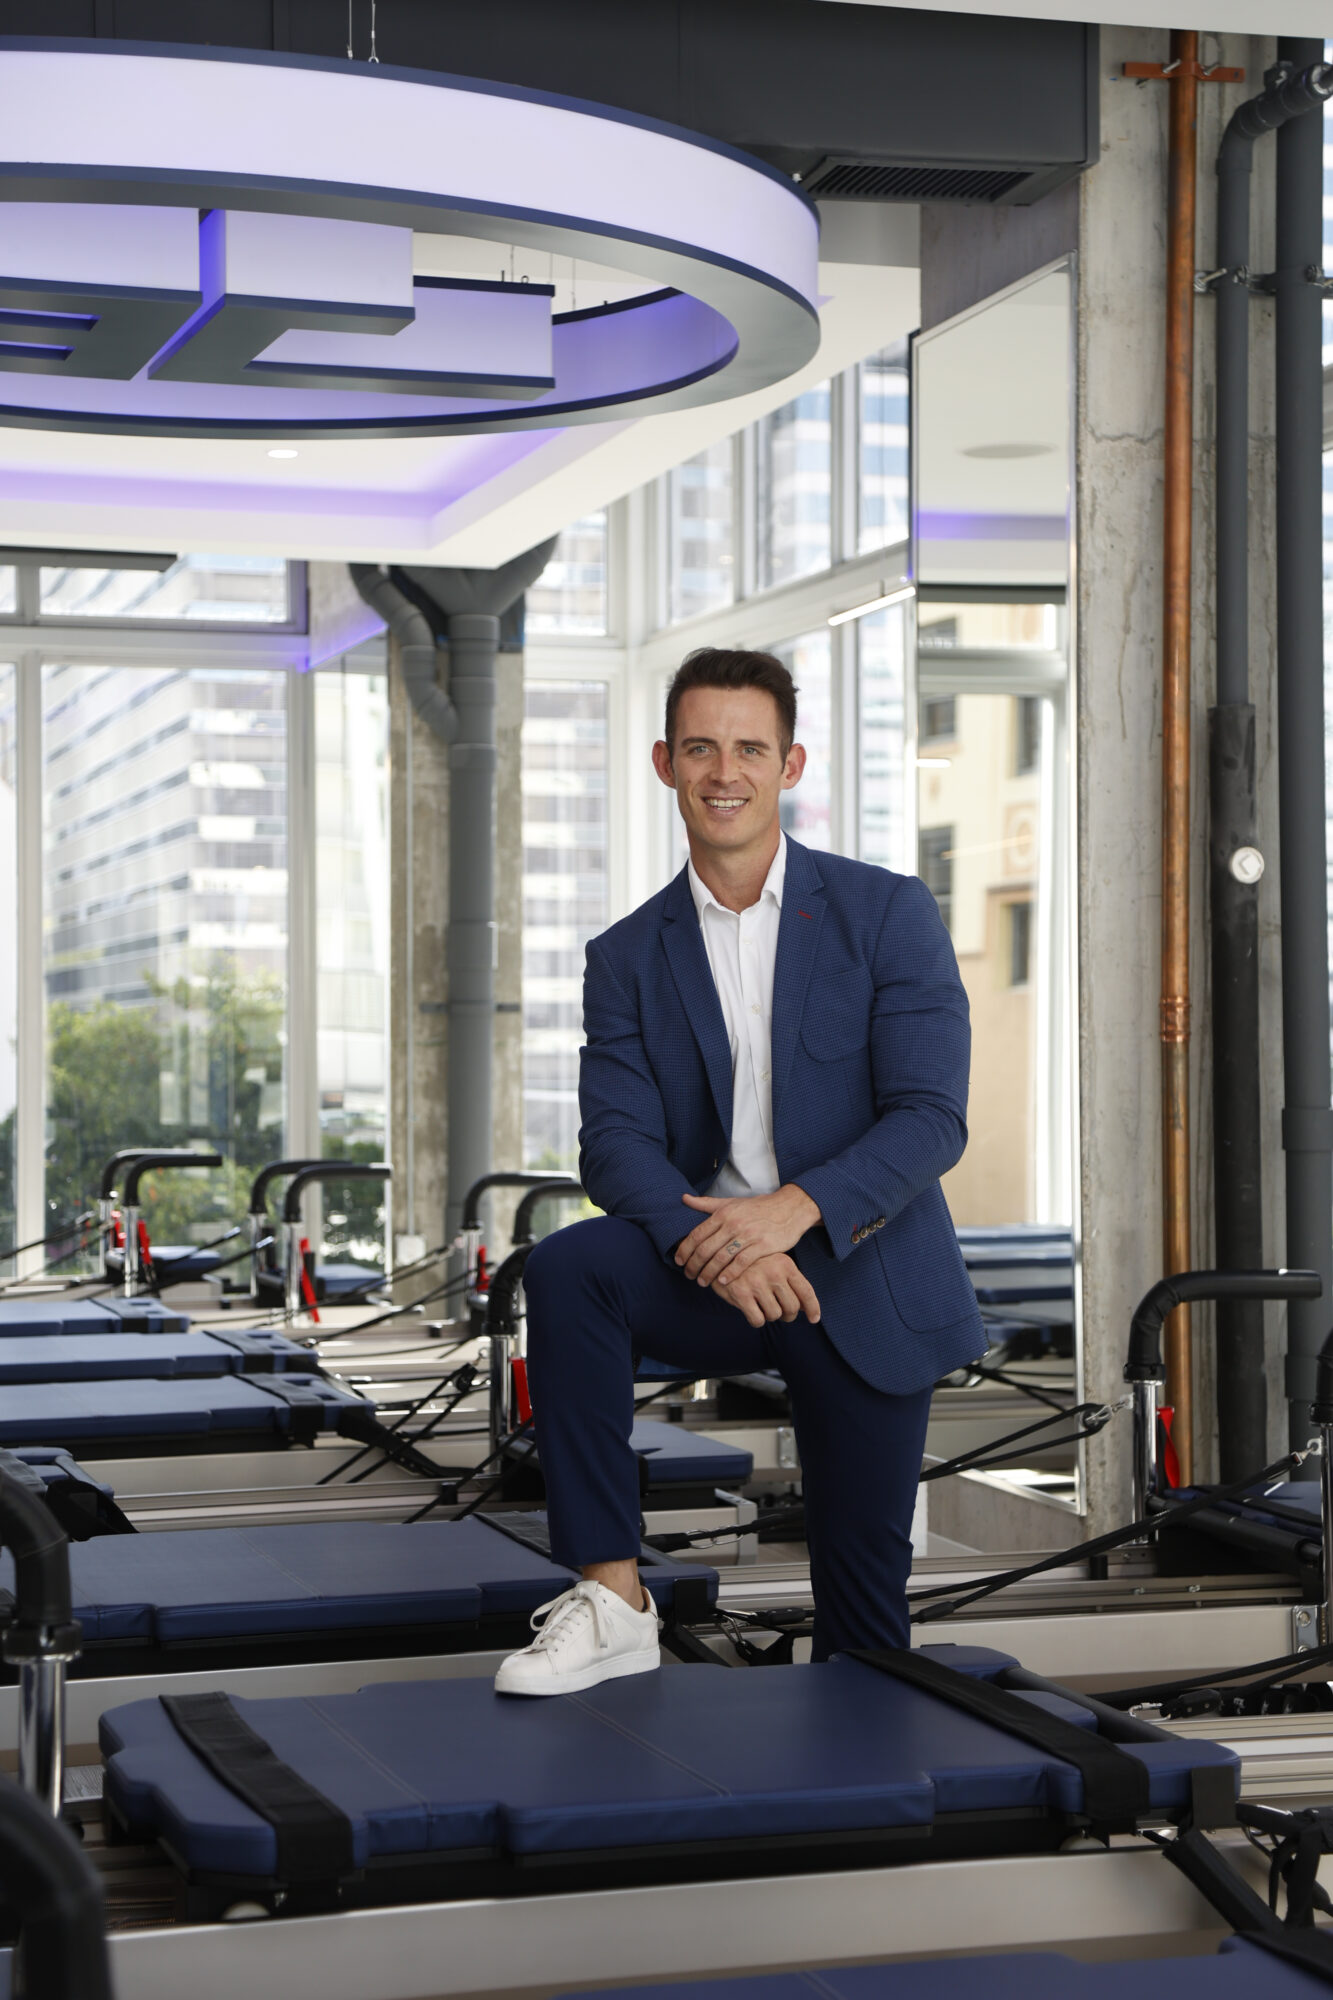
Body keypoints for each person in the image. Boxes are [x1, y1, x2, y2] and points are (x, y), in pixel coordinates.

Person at [495, 646, 984, 1696]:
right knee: (570, 1269)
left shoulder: (885, 911)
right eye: (702, 748)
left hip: (858, 1271)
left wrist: (787, 1214)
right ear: (665, 763)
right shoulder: (625, 955)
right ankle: (614, 1601)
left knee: (864, 1619)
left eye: (750, 748)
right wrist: (715, 1242)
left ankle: (862, 1763)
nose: (726, 771)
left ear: (789, 764)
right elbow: (613, 1143)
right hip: (712, 1269)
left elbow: (930, 1118)